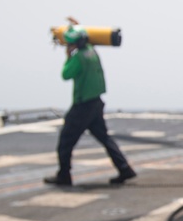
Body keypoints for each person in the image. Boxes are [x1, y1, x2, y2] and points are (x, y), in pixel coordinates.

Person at [44, 25, 136, 187]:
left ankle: (64, 175)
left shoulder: (79, 57)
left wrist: (68, 56)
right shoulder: (92, 52)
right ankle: (124, 168)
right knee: (104, 138)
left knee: (66, 140)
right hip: (96, 103)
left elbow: (66, 75)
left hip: (83, 105)